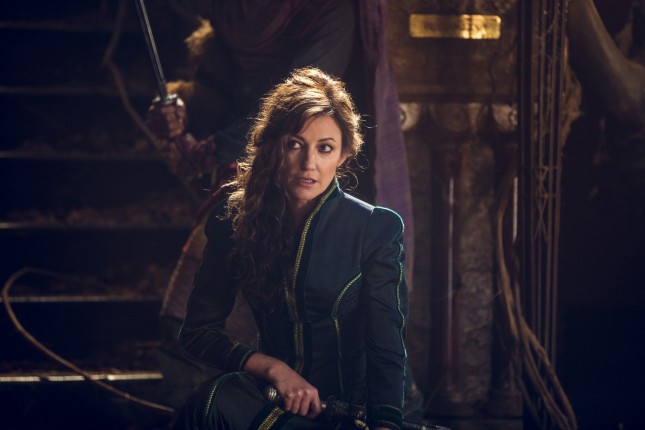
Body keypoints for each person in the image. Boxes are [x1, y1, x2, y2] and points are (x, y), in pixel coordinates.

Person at [174, 67, 408, 430]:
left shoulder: (375, 229)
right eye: (294, 144)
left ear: (344, 155)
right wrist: (272, 368)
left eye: (325, 148)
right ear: (274, 147)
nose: (308, 163)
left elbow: (387, 348)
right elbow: (197, 333)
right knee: (211, 403)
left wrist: (385, 423)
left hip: (347, 411)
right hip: (269, 396)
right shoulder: (233, 219)